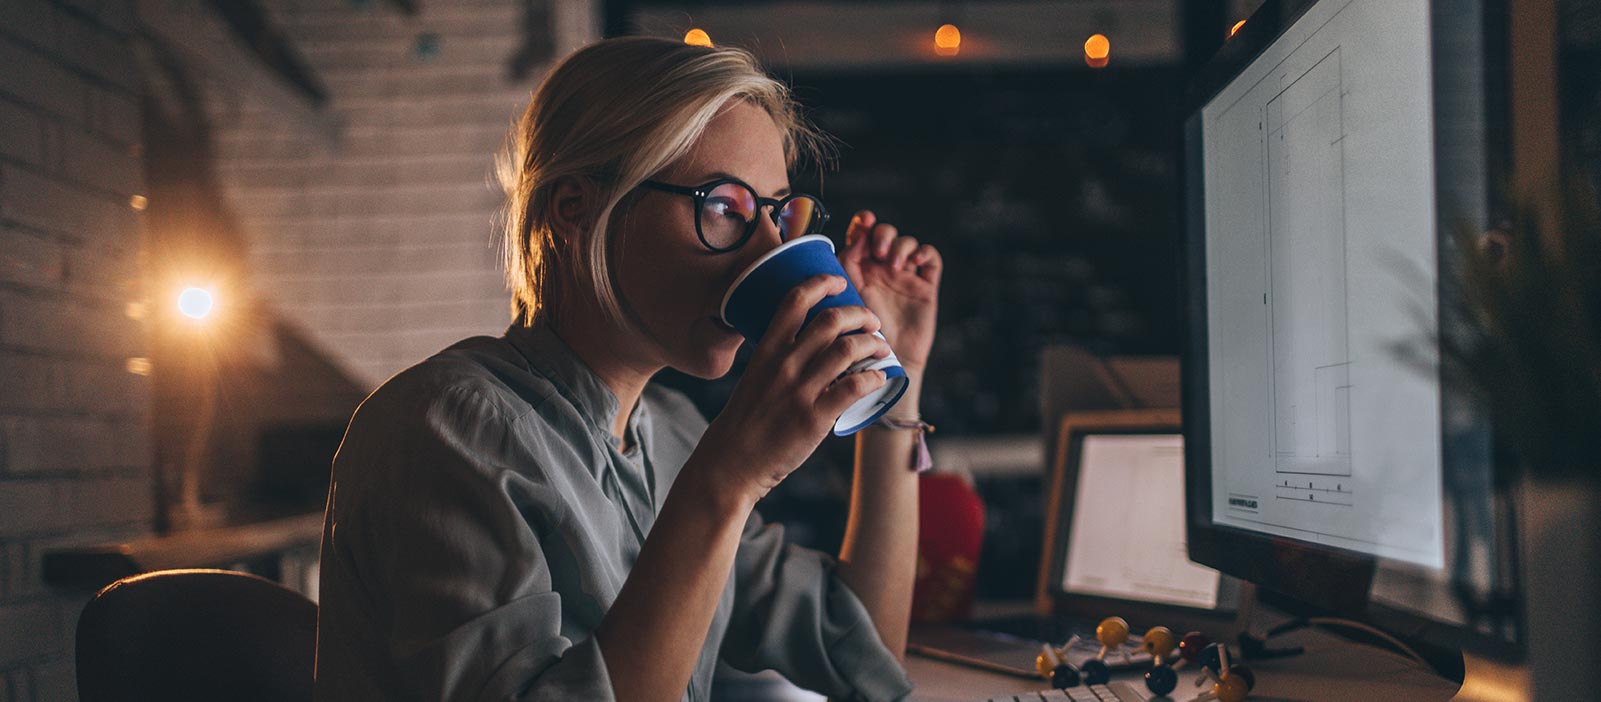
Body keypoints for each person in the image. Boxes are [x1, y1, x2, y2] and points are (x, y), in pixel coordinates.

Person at [314, 36, 944, 701]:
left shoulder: (669, 433)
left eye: (776, 214)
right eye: (722, 208)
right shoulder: (443, 429)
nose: (766, 252)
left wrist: (891, 383)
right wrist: (729, 480)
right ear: (573, 209)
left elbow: (862, 650)